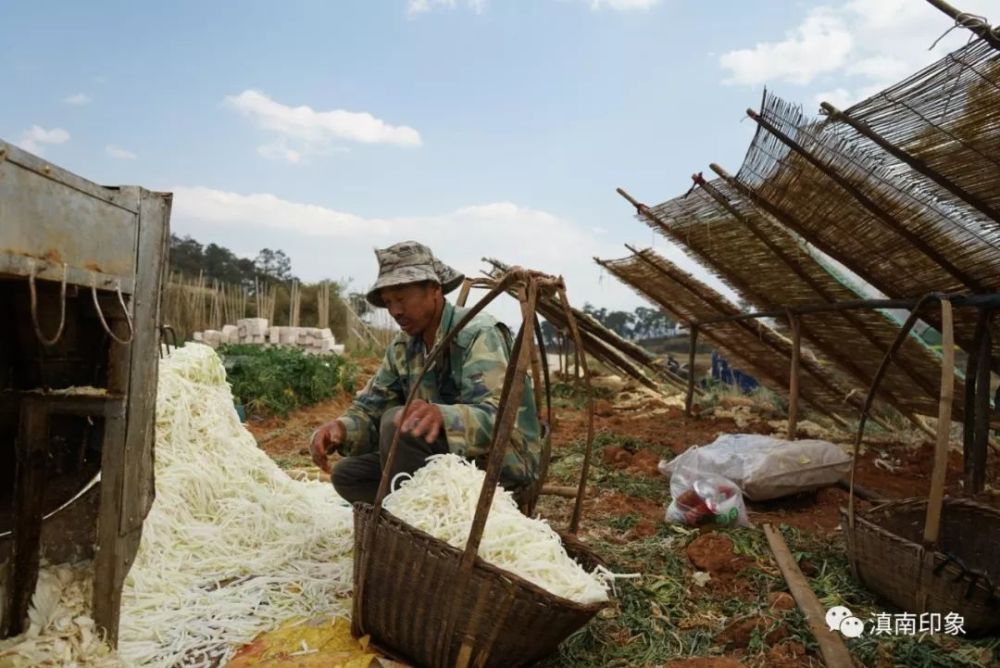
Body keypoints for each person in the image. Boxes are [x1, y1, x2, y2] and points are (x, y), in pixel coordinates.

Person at [309, 241, 541, 505]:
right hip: (441, 462)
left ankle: (412, 521)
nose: (395, 311)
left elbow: (499, 417)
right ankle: (418, 511)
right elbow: (370, 409)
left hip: (499, 463)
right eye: (388, 302)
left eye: (401, 298)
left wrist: (442, 415)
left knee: (399, 421)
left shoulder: (478, 332)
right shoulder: (403, 347)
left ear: (434, 290)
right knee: (348, 475)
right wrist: (341, 429)